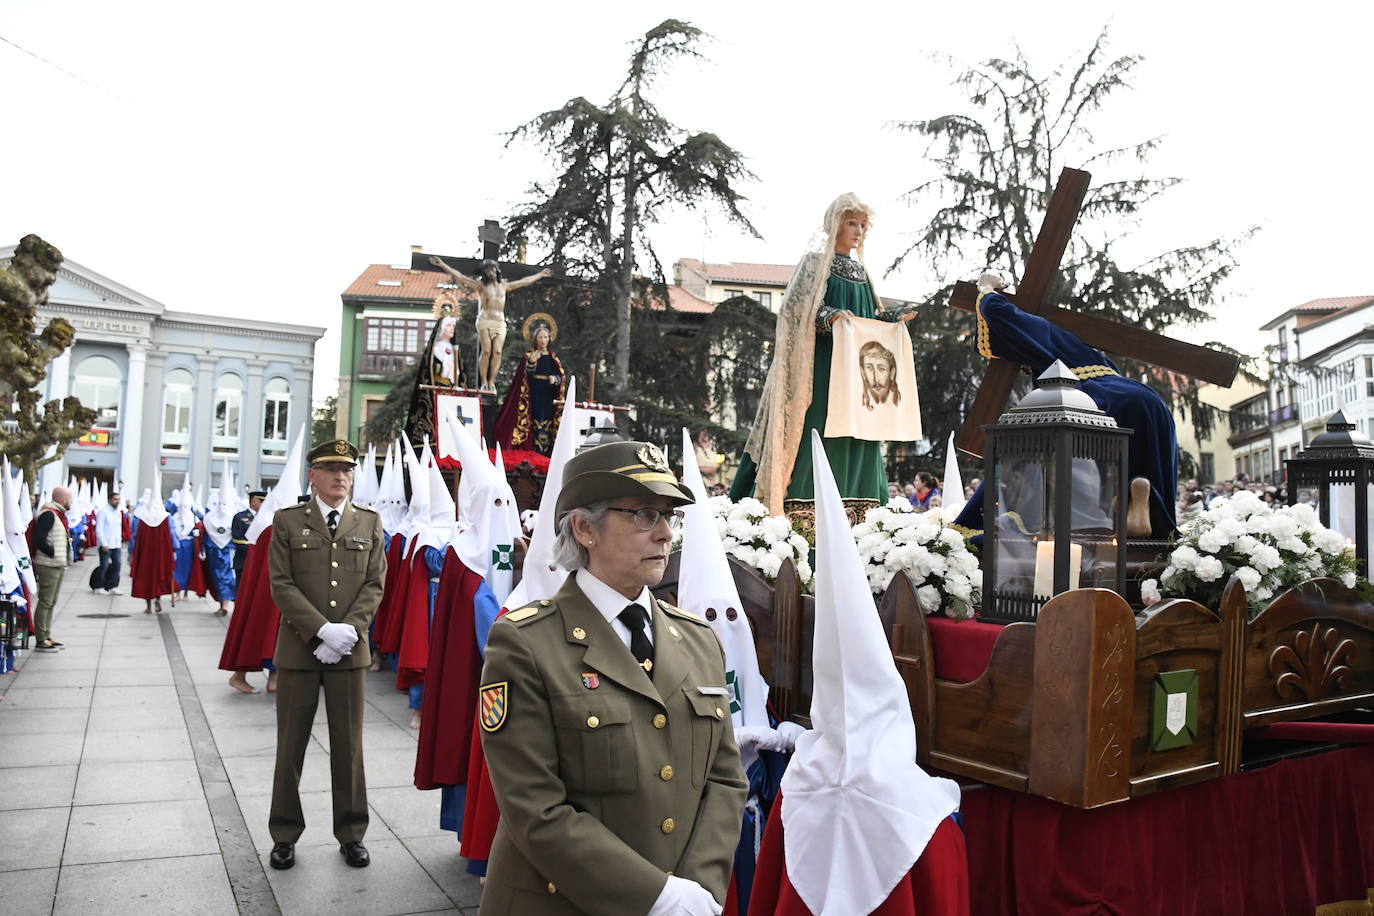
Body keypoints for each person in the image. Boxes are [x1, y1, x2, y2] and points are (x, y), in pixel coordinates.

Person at [477, 440, 747, 915]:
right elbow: (534, 808)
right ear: (584, 528)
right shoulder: (525, 643)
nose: (665, 534)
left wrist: (696, 889)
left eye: (670, 517)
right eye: (644, 514)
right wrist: (655, 896)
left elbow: (725, 780)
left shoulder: (697, 640)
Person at [731, 194, 915, 512]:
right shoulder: (816, 264)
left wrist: (891, 318)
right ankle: (799, 510)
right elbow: (795, 310)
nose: (858, 231)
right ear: (834, 225)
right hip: (822, 370)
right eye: (851, 223)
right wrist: (827, 316)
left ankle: (863, 512)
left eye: (862, 225)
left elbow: (867, 321)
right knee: (817, 430)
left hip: (856, 377)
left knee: (861, 435)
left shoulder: (863, 274)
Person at [266, 439, 386, 872]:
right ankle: (284, 834)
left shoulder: (369, 523)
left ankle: (352, 833)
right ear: (312, 476)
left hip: (349, 653)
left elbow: (374, 584)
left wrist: (348, 632)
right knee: (290, 747)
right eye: (331, 469)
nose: (341, 477)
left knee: (348, 747)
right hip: (300, 651)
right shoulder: (287, 521)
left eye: (347, 470)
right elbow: (281, 584)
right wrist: (321, 630)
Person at [429, 255, 552, 393]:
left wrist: (540, 274)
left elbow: (524, 281)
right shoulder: (481, 286)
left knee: (497, 351)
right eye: (487, 270)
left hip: (499, 322)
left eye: (492, 269)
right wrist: (442, 264)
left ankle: (492, 381)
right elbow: (460, 277)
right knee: (486, 351)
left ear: (496, 270)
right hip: (485, 320)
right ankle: (484, 382)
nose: (490, 272)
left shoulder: (504, 286)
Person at [493, 313, 567, 456]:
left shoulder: (553, 358)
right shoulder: (529, 355)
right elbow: (526, 375)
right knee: (533, 420)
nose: (543, 340)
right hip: (533, 394)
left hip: (548, 395)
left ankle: (545, 452)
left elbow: (561, 377)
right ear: (535, 339)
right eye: (540, 337)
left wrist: (555, 379)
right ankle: (532, 450)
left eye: (546, 337)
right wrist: (532, 363)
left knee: (546, 422)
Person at [29, 486, 72, 650]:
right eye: (70, 498)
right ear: (63, 499)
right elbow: (38, 539)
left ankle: (46, 634)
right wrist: (53, 552)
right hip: (49, 564)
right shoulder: (49, 514)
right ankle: (41, 638)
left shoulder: (57, 514)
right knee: (46, 601)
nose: (71, 502)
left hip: (56, 564)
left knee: (51, 601)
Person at [93, 490, 125, 594]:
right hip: (106, 544)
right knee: (104, 566)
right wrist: (103, 543)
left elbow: (118, 528)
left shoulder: (118, 513)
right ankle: (99, 586)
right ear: (110, 500)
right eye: (115, 499)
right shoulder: (103, 511)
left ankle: (113, 586)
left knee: (117, 564)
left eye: (118, 499)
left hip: (116, 544)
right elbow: (99, 529)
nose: (117, 501)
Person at [232, 490, 265, 577]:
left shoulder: (264, 517)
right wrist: (254, 552)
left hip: (259, 561)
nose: (264, 504)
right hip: (244, 560)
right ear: (253, 501)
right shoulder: (240, 517)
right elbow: (237, 539)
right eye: (262, 501)